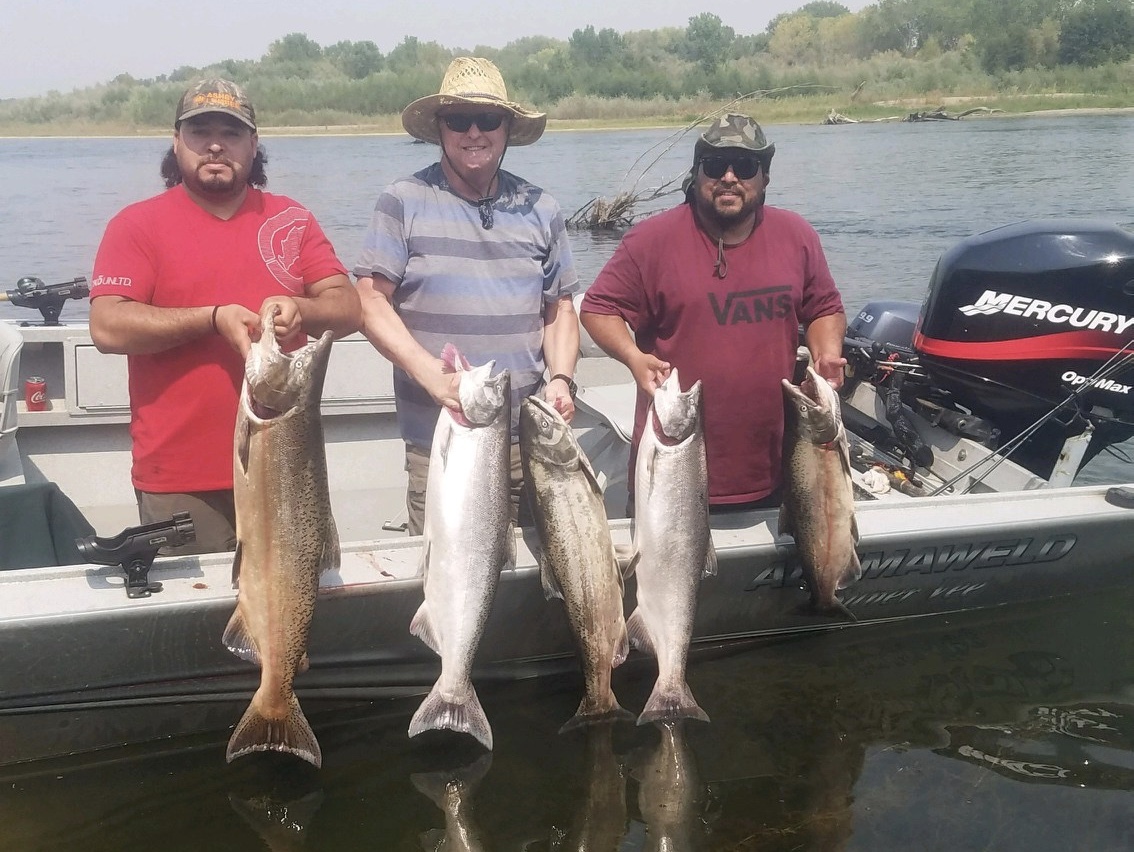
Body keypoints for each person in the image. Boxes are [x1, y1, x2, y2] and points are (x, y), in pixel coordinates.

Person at [88, 78, 360, 555]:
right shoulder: (135, 225)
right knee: (197, 625)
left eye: (232, 134)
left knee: (286, 613)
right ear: (176, 143)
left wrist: (303, 309)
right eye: (200, 132)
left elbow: (349, 307)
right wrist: (211, 319)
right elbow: (107, 326)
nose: (215, 145)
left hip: (287, 466)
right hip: (180, 479)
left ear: (254, 146)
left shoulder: (291, 220)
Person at [353, 57, 580, 535]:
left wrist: (561, 379)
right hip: (441, 440)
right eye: (458, 119)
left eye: (487, 119)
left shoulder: (543, 208)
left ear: (506, 127)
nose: (473, 132)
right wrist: (431, 375)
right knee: (449, 589)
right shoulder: (402, 200)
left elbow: (559, 308)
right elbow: (371, 302)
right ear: (439, 128)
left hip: (528, 440)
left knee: (533, 590)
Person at [580, 113, 848, 511]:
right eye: (714, 165)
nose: (728, 177)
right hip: (671, 466)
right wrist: (634, 358)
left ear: (764, 178)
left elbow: (824, 305)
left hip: (779, 467)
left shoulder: (797, 236)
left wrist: (826, 353)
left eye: (744, 166)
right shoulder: (651, 241)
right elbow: (598, 308)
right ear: (696, 173)